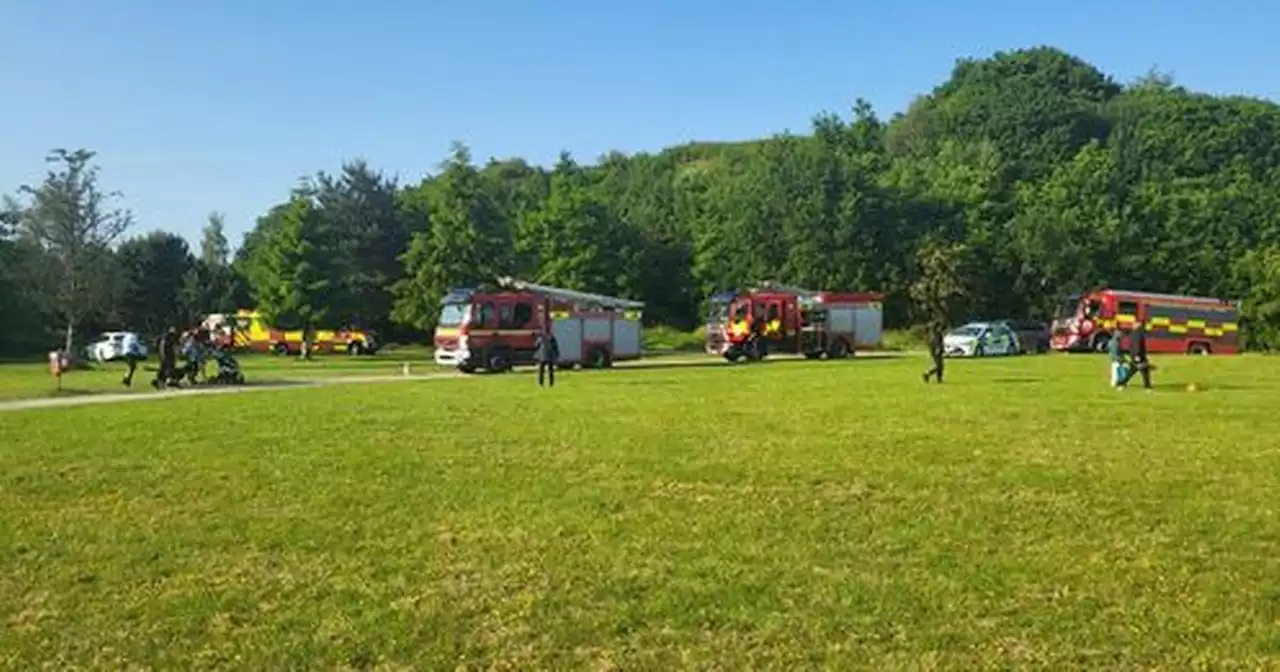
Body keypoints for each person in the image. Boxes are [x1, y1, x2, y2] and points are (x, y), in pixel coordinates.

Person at [1120, 323, 1153, 391]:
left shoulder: (1132, 334)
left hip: (1134, 355)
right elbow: (1137, 345)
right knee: (1144, 371)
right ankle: (1147, 387)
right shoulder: (1138, 335)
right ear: (1139, 328)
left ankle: (1121, 384)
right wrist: (1137, 356)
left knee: (1132, 371)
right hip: (1139, 356)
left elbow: (1132, 346)